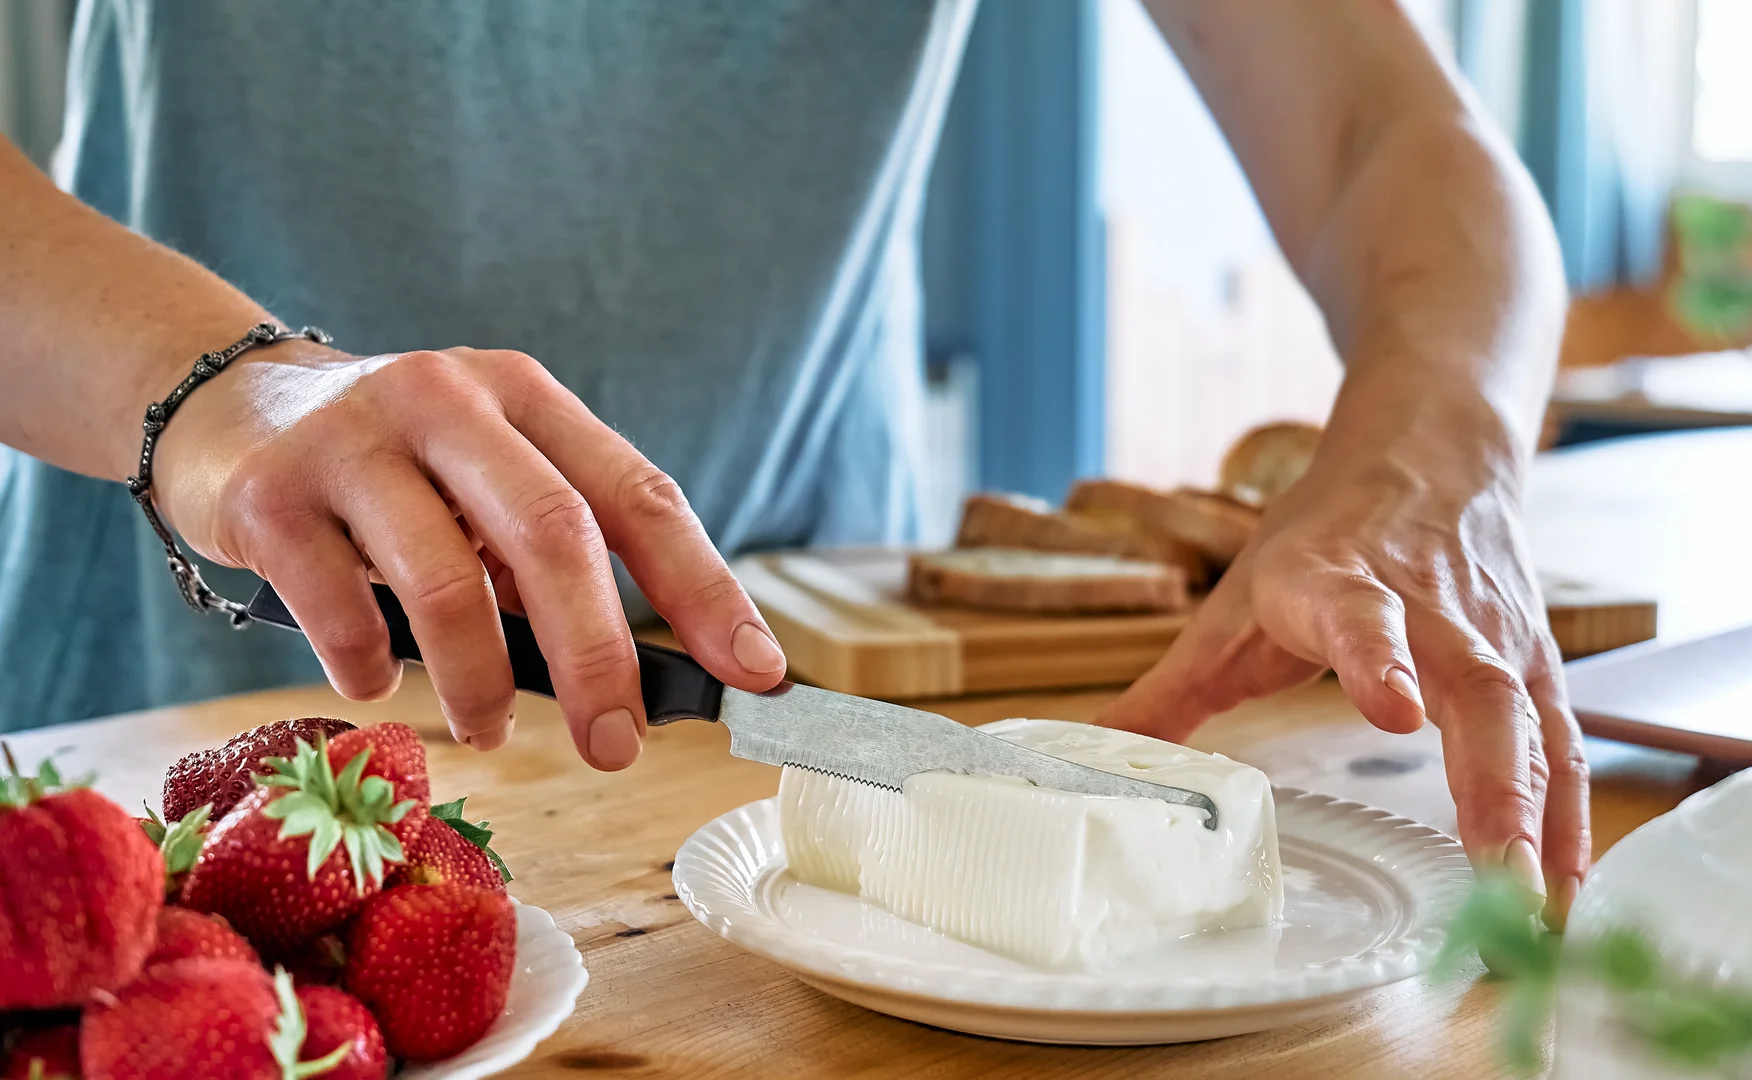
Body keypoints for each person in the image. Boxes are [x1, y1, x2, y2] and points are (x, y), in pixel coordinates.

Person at [0, 1, 1585, 926]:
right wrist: (223, 388)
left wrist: (1437, 449)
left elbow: (1395, 126)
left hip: (803, 737)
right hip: (173, 692)